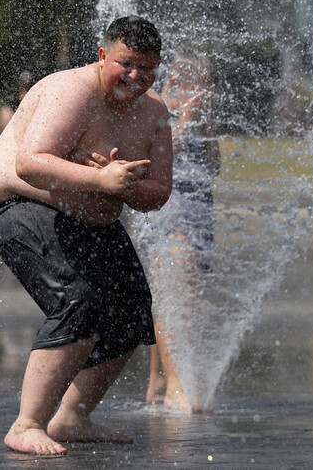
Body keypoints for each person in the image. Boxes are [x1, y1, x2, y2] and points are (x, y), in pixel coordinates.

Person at [0, 16, 172, 454]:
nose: (135, 76)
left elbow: (159, 191)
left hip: (91, 218)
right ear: (103, 56)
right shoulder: (73, 91)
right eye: (125, 64)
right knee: (78, 298)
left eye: (146, 68)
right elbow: (30, 162)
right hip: (18, 203)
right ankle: (27, 424)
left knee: (131, 309)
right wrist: (99, 180)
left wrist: (124, 186)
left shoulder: (155, 112)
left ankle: (72, 418)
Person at [135, 52, 220, 412]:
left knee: (173, 298)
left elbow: (214, 166)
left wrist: (206, 125)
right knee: (176, 299)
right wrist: (186, 119)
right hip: (168, 218)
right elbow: (159, 159)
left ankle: (158, 380)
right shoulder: (157, 111)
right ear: (177, 83)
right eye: (201, 85)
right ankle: (176, 386)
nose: (206, 93)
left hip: (198, 220)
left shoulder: (197, 118)